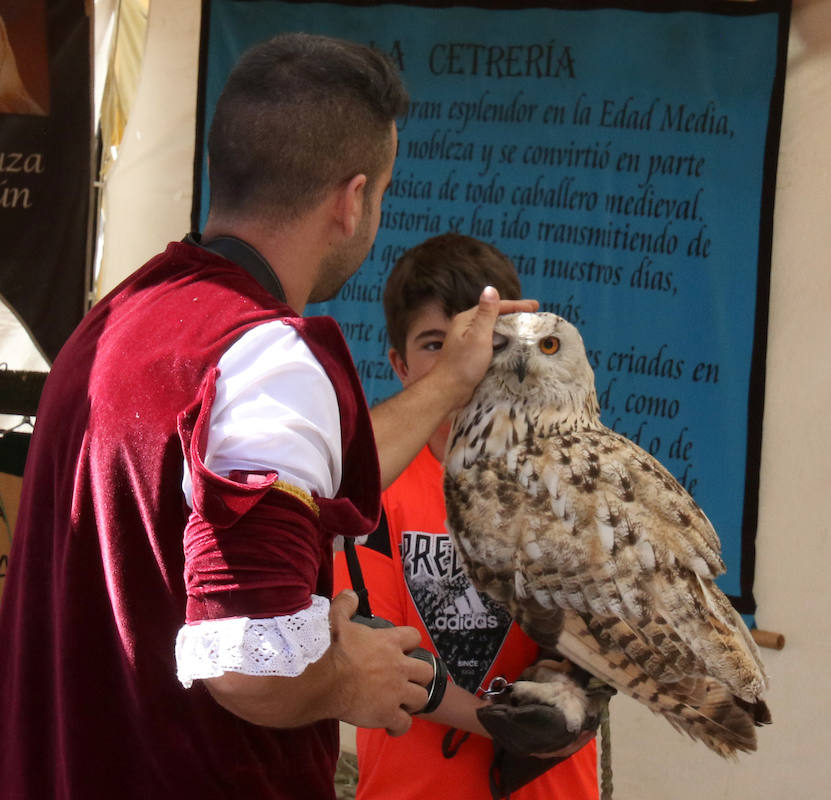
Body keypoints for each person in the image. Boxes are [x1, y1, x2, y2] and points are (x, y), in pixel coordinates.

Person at [0, 34, 535, 799]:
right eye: (379, 195)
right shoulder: (267, 360)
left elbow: (308, 469)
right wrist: (349, 675)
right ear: (352, 200)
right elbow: (245, 663)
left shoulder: (121, 318)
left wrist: (448, 381)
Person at [334, 233, 599, 800]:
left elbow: (599, 637)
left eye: (484, 338)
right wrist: (501, 724)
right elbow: (376, 661)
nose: (466, 357)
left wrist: (582, 684)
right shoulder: (373, 488)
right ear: (399, 365)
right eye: (436, 343)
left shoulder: (566, 478)